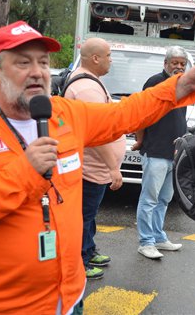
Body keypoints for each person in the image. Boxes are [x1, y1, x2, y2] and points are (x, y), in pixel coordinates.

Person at [0, 20, 195, 314]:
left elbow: (126, 114)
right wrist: (24, 172)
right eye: (23, 63)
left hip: (70, 295)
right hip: (2, 306)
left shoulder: (64, 113)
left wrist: (180, 87)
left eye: (44, 62)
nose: (37, 72)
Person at [64, 38, 126, 280]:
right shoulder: (87, 89)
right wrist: (113, 167)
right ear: (95, 58)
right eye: (109, 55)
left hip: (92, 168)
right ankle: (80, 260)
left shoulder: (92, 82)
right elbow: (96, 134)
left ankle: (88, 250)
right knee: (82, 216)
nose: (111, 59)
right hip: (90, 169)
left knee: (88, 215)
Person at [133, 46, 190, 259]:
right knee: (149, 199)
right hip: (155, 151)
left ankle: (158, 237)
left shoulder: (182, 85)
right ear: (166, 64)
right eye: (175, 63)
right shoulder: (155, 82)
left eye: (182, 64)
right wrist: (140, 140)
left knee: (165, 198)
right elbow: (141, 113)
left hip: (173, 154)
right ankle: (145, 242)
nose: (178, 67)